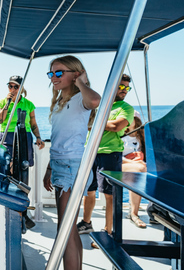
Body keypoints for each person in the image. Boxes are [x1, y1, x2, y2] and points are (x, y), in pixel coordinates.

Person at [43, 55, 101, 270]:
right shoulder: (60, 101)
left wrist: (81, 83)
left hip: (71, 166)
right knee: (67, 228)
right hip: (60, 164)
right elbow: (58, 137)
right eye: (51, 73)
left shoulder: (79, 100)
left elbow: (95, 101)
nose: (54, 77)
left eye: (59, 72)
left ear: (75, 74)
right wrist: (49, 167)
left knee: (65, 228)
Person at [77, 74, 135, 243]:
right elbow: (86, 123)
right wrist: (101, 123)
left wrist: (97, 121)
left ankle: (108, 231)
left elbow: (118, 126)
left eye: (126, 88)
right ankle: (86, 223)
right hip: (91, 152)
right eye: (121, 86)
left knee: (110, 195)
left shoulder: (126, 108)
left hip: (110, 154)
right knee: (89, 190)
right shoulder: (100, 105)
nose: (124, 90)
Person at [0, 75, 45, 166]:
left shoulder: (29, 104)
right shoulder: (2, 102)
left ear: (21, 88)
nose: (13, 89)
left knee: (23, 165)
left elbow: (33, 124)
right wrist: (7, 103)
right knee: (5, 163)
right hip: (7, 136)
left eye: (16, 87)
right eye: (10, 86)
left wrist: (38, 137)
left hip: (24, 136)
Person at [122, 113, 147, 228]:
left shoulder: (141, 137)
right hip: (123, 164)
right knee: (138, 172)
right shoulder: (121, 137)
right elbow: (117, 156)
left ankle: (156, 209)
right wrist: (134, 162)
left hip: (139, 165)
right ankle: (134, 213)